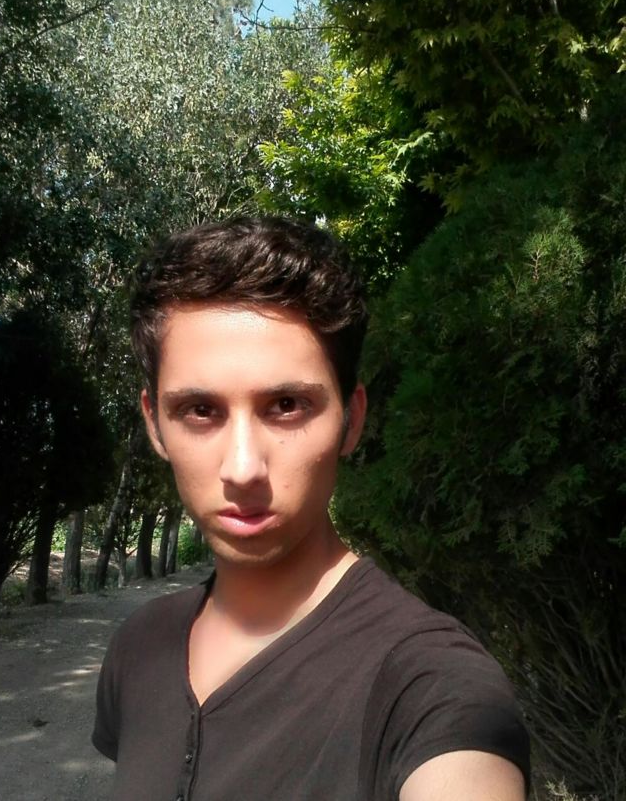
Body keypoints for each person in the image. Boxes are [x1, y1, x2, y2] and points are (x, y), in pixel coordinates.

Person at [92, 216, 530, 801]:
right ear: (154, 424)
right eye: (200, 411)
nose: (243, 467)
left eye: (287, 405)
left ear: (352, 419)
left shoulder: (430, 684)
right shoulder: (137, 648)